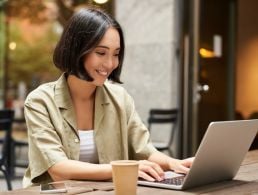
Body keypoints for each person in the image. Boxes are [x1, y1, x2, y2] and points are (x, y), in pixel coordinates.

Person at [23, 7, 194, 188]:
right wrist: (122, 169)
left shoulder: (120, 98)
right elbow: (59, 169)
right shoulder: (40, 101)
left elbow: (145, 150)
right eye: (101, 53)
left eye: (116, 54)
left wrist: (174, 164)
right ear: (77, 50)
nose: (111, 63)